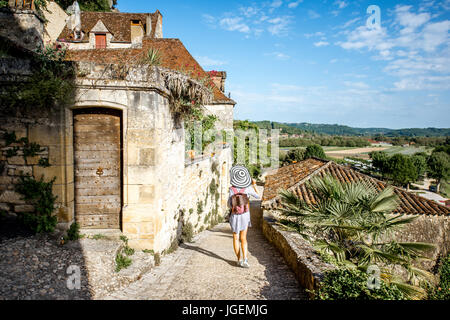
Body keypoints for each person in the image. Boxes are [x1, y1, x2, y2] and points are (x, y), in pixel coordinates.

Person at [228, 165, 261, 268]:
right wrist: (254, 185)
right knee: (243, 238)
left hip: (235, 215)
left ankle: (239, 260)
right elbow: (258, 196)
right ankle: (245, 260)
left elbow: (229, 204)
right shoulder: (248, 188)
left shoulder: (231, 189)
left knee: (235, 237)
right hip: (245, 215)